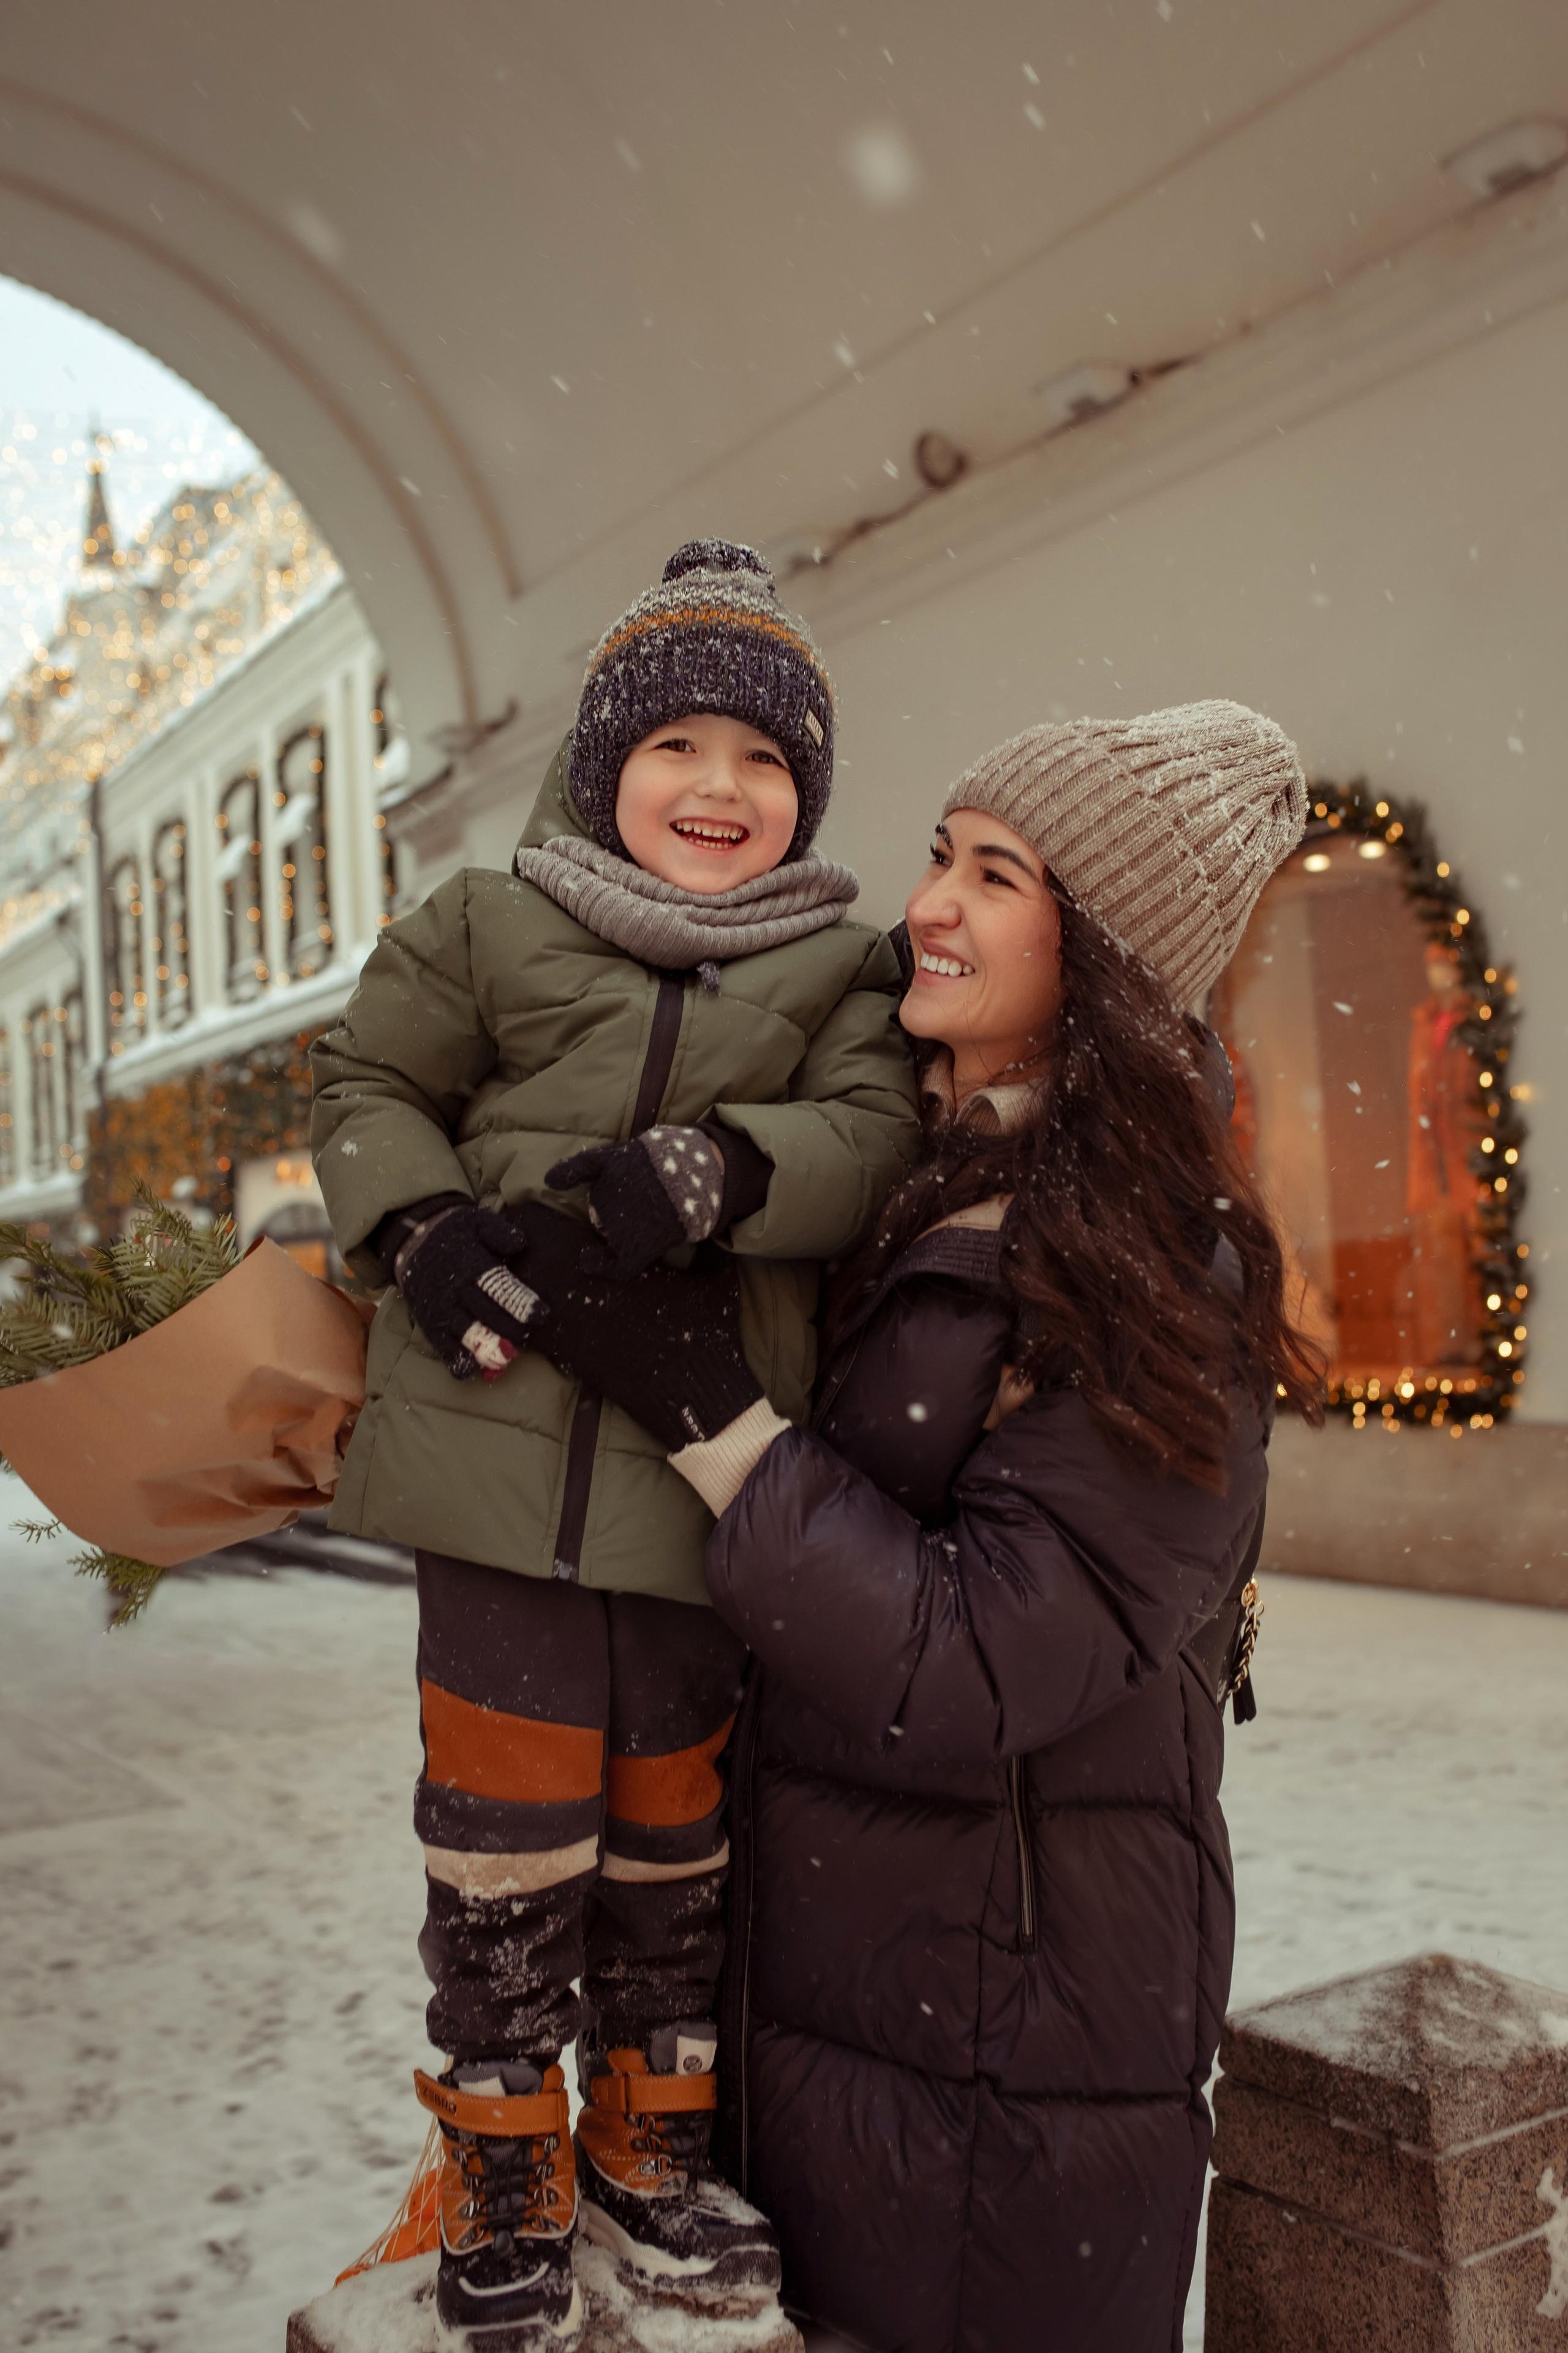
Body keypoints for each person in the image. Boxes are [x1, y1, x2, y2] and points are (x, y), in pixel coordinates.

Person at [513, 701, 1325, 2353]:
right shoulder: (913, 1185)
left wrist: (712, 1411)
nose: (928, 907)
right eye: (940, 855)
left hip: (1005, 2084)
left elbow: (976, 1654)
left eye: (995, 873)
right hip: (838, 2012)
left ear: (1095, 954)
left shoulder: (1156, 1265)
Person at [309, 540, 919, 2344]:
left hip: (691, 1488)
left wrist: (726, 1168)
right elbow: (364, 1082)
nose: (721, 790)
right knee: (498, 1838)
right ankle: (503, 2144)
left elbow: (872, 1137)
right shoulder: (489, 924)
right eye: (679, 749)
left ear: (804, 792)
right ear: (601, 768)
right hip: (492, 1471)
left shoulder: (837, 970)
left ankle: (649, 2136)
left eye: (764, 758)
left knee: (670, 1845)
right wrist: (420, 1227)